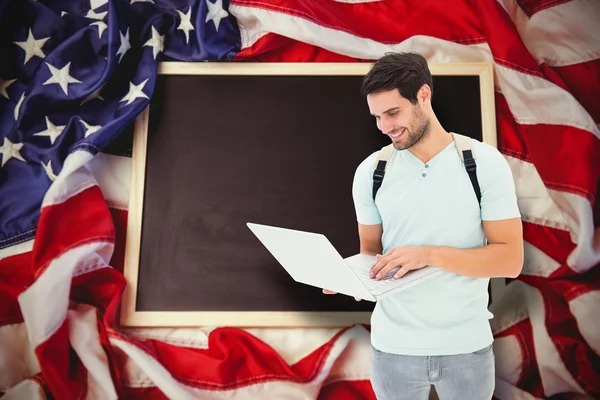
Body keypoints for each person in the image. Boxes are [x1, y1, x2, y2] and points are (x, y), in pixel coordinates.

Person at [323, 52, 524, 400]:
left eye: (392, 112)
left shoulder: (483, 164)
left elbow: (510, 259)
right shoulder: (371, 172)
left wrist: (428, 254)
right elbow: (370, 251)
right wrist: (355, 278)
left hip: (467, 346)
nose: (384, 127)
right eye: (376, 117)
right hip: (392, 348)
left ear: (424, 96)